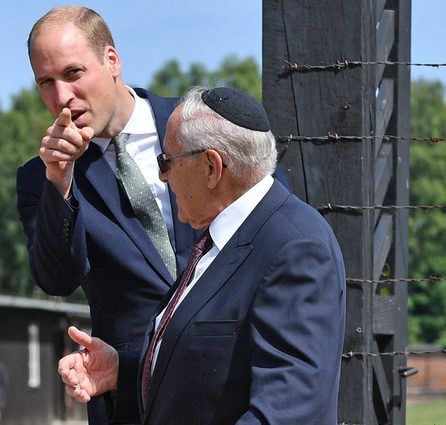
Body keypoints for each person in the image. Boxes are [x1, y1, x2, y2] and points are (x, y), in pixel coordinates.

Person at [15, 6, 289, 423]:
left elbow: (276, 229)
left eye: (73, 73)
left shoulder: (205, 124)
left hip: (235, 384)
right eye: (45, 82)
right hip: (129, 401)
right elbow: (57, 278)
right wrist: (60, 183)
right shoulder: (43, 177)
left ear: (111, 61)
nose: (61, 96)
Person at [57, 86, 346, 424]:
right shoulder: (221, 240)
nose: (164, 176)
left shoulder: (294, 247)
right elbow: (215, 370)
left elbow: (287, 410)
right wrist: (128, 370)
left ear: (211, 167)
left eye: (167, 161)